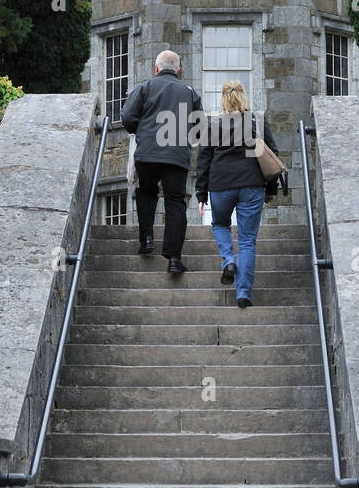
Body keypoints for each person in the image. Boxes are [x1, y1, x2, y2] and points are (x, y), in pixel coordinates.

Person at [195, 80, 280, 308]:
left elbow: (203, 160)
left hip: (220, 185)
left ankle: (228, 261)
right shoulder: (257, 121)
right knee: (247, 241)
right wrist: (270, 190)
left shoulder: (213, 125)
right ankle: (243, 293)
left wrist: (201, 194)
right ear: (244, 96)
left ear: (223, 98)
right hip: (252, 184)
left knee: (220, 224)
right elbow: (272, 155)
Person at [120, 49, 203, 275]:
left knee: (146, 192)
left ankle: (147, 239)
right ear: (178, 70)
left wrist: (143, 131)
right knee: (175, 202)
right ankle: (174, 258)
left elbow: (127, 117)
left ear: (156, 68)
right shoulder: (190, 92)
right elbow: (199, 129)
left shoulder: (145, 88)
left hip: (147, 153)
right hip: (176, 156)